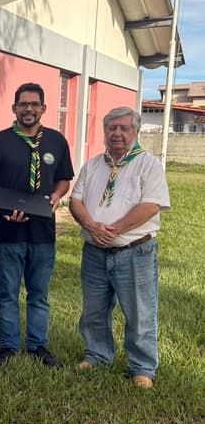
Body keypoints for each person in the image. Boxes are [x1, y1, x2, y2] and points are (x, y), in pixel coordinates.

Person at [69, 107, 170, 389]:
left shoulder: (148, 165)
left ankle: (142, 367)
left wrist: (114, 230)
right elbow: (76, 201)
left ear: (135, 131)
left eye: (124, 128)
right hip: (94, 252)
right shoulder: (92, 165)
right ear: (104, 132)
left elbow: (151, 204)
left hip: (135, 252)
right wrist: (92, 227)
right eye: (111, 128)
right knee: (94, 309)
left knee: (139, 312)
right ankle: (97, 354)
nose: (117, 133)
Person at [0, 82, 74, 368]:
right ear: (14, 108)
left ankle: (38, 345)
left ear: (44, 108)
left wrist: (57, 196)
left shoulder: (57, 141)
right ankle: (8, 346)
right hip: (8, 230)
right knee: (7, 291)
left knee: (39, 293)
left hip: (43, 233)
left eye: (34, 104)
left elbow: (63, 179)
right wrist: (0, 209)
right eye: (23, 104)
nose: (29, 109)